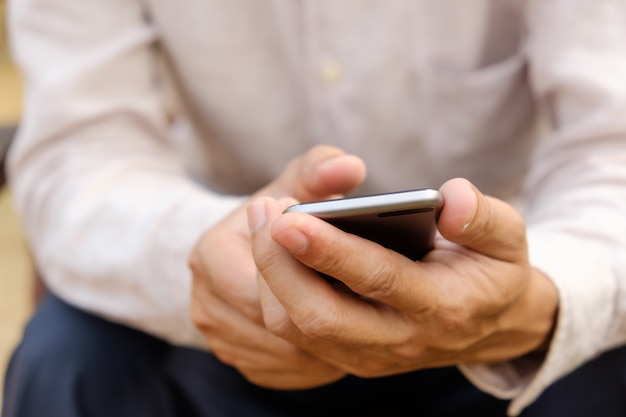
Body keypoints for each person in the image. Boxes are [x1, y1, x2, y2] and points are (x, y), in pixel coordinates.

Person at [3, 1, 626, 416]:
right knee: (68, 355)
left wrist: (538, 299)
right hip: (219, 307)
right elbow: (80, 152)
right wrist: (209, 261)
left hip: (500, 317)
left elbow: (611, 150)